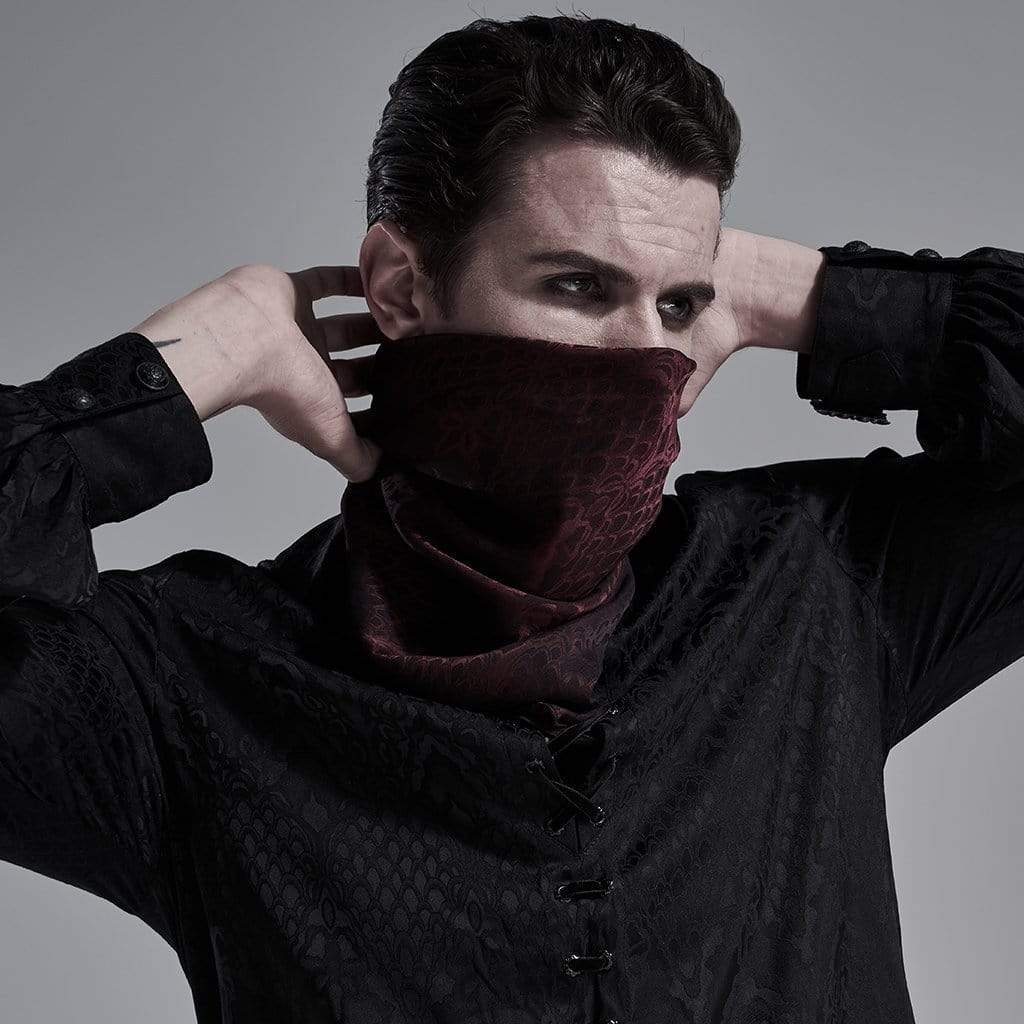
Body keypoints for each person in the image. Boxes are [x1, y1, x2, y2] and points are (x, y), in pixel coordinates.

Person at [2, 13, 1022, 1024]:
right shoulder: (185, 684)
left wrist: (797, 289)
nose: (647, 359)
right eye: (579, 285)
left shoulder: (815, 581)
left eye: (678, 307)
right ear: (401, 288)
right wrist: (187, 364)